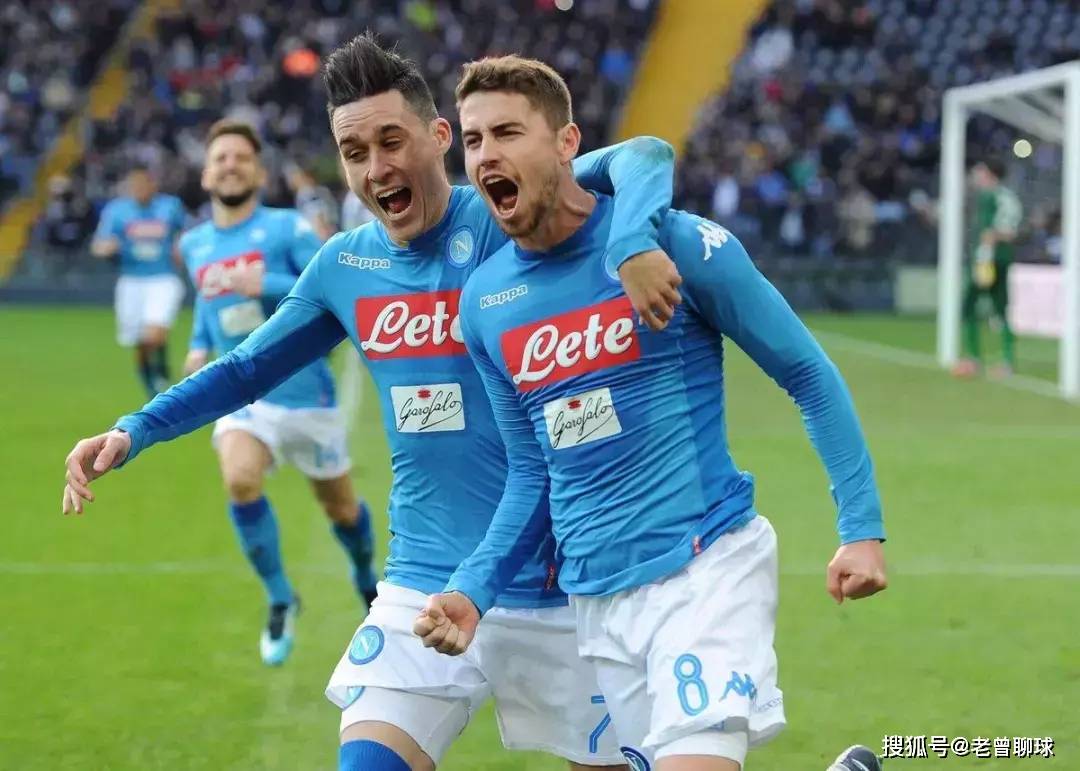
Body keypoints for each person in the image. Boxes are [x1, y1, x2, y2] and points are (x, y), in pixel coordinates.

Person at [62, 33, 684, 771]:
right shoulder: (344, 266)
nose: (376, 168)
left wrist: (633, 239)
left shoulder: (510, 218)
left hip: (561, 583)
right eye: (354, 152)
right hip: (424, 580)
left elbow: (643, 156)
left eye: (392, 142)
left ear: (440, 136)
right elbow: (247, 367)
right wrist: (135, 429)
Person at [410, 56, 888, 771]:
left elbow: (806, 374)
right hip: (596, 601)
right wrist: (473, 588)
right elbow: (532, 474)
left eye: (508, 132)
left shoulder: (677, 244)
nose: (486, 156)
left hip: (704, 568)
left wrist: (861, 528)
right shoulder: (484, 302)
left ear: (567, 143)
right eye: (473, 140)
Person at [151, 119, 380, 667]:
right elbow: (209, 306)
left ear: (258, 173)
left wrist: (269, 285)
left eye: (241, 158)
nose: (230, 165)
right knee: (239, 478)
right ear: (206, 175)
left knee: (342, 510)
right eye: (220, 158)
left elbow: (334, 285)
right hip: (242, 396)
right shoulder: (195, 243)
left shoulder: (288, 228)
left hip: (305, 394)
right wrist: (199, 345)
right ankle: (280, 596)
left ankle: (365, 576)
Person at [90, 165, 186, 397]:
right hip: (131, 281)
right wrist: (107, 248)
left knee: (155, 332)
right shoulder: (117, 211)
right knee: (140, 341)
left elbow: (184, 233)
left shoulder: (170, 206)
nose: (139, 189)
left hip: (163, 277)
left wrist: (181, 249)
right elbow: (99, 244)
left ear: (153, 185)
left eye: (144, 183)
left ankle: (160, 375)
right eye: (134, 184)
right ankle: (150, 383)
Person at [953, 159, 1023, 379]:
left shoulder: (994, 197)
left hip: (989, 260)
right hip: (996, 258)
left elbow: (998, 232)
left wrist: (985, 254)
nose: (977, 174)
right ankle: (1002, 362)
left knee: (973, 305)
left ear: (990, 174)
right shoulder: (1001, 197)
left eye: (981, 170)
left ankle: (977, 360)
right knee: (996, 308)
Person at [286, 163, 341, 241]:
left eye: (295, 175)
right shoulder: (303, 194)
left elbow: (318, 216)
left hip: (321, 237)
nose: (291, 180)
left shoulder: (310, 193)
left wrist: (322, 233)